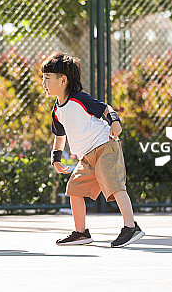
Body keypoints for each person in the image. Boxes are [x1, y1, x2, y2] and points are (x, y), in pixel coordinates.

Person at [41, 52, 144, 248]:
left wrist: (114, 122)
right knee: (74, 189)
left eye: (47, 78)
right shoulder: (57, 110)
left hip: (105, 146)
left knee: (114, 186)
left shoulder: (79, 99)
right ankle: (81, 233)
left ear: (63, 80)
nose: (43, 83)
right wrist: (56, 158)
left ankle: (131, 227)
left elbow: (106, 108)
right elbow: (59, 136)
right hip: (86, 157)